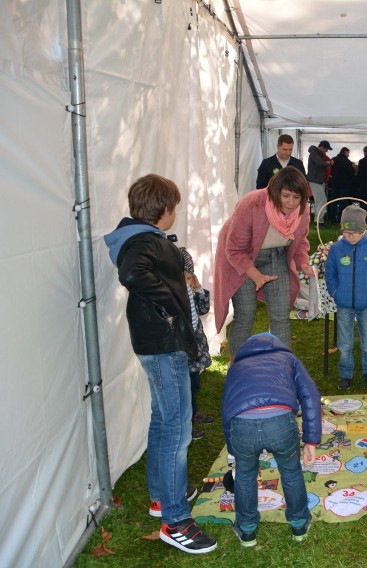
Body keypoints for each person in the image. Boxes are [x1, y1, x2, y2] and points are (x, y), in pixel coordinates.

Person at [104, 174, 217, 554]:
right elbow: (134, 273)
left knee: (164, 420)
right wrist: (170, 305)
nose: (176, 214)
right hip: (163, 345)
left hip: (159, 344)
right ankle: (175, 520)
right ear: (164, 210)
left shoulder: (140, 238)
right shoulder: (143, 241)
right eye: (175, 208)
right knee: (176, 431)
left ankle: (160, 497)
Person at [222, 332, 321, 546]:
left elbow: (226, 407)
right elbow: (310, 395)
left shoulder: (236, 367)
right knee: (291, 470)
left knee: (245, 474)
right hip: (280, 422)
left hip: (243, 426)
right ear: (278, 345)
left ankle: (247, 528)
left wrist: (233, 449)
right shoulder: (289, 359)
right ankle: (299, 523)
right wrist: (311, 441)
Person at [213, 167, 314, 360]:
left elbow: (300, 242)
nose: (291, 203)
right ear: (275, 192)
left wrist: (303, 263)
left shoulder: (303, 211)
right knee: (245, 315)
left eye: (296, 197)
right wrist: (256, 276)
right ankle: (236, 367)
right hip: (242, 261)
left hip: (275, 257)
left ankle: (282, 365)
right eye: (286, 196)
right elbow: (234, 249)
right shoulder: (252, 203)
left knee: (281, 314)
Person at [324, 205, 367, 390]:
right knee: (344, 343)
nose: (350, 236)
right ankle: (345, 374)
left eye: (355, 233)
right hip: (343, 304)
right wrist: (335, 292)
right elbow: (330, 273)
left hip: (366, 304)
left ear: (363, 230)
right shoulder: (336, 249)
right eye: (346, 232)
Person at [179, 247, 214, 441]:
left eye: (189, 277)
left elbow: (203, 308)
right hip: (185, 347)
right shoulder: (175, 294)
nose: (187, 281)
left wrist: (198, 286)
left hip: (196, 345)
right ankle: (187, 422)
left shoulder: (190, 289)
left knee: (194, 383)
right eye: (185, 277)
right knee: (186, 386)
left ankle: (193, 412)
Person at [306, 140, 333, 226]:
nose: (327, 151)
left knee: (319, 201)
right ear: (322, 147)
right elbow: (320, 164)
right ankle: (319, 221)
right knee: (322, 200)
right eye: (326, 149)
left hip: (318, 180)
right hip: (315, 180)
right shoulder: (314, 153)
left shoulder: (316, 153)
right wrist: (328, 163)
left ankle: (318, 220)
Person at [329, 146, 356, 219]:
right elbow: (351, 173)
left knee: (334, 200)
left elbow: (330, 171)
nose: (348, 155)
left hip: (335, 183)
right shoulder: (347, 161)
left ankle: (332, 217)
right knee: (343, 201)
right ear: (345, 152)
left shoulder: (333, 159)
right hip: (344, 184)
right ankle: (341, 217)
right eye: (348, 153)